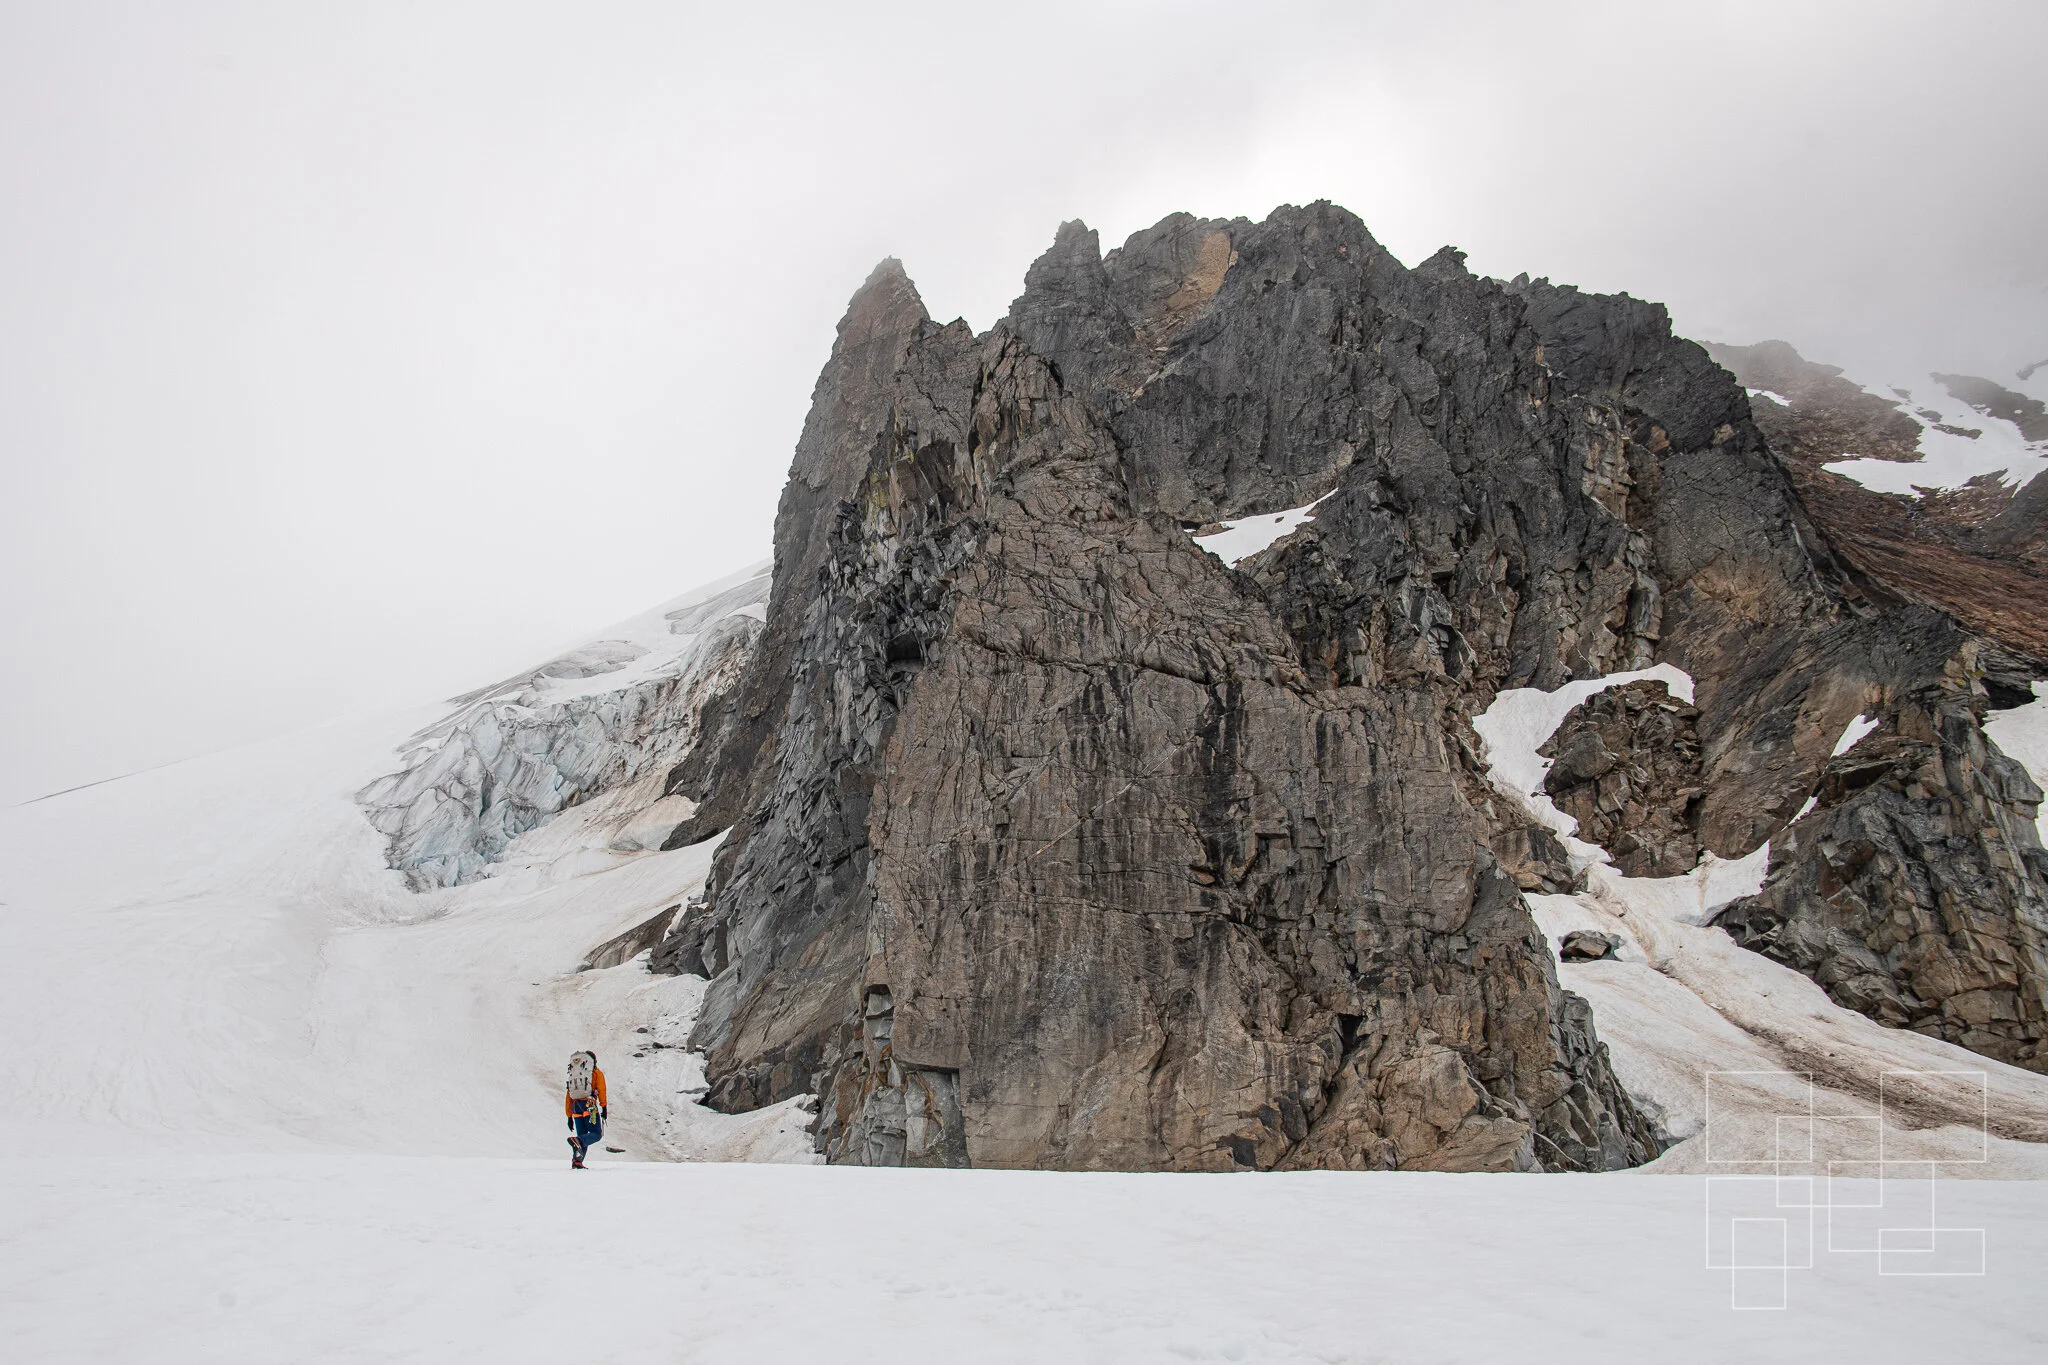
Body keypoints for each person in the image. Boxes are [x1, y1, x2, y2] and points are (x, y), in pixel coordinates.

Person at [564, 1050, 608, 1169]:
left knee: (582, 1136)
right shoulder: (595, 1073)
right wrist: (604, 1107)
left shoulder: (574, 1075)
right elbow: (601, 1089)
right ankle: (577, 1141)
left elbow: (569, 1095)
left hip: (575, 1107)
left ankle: (577, 1161)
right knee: (596, 1134)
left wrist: (569, 1116)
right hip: (589, 1105)